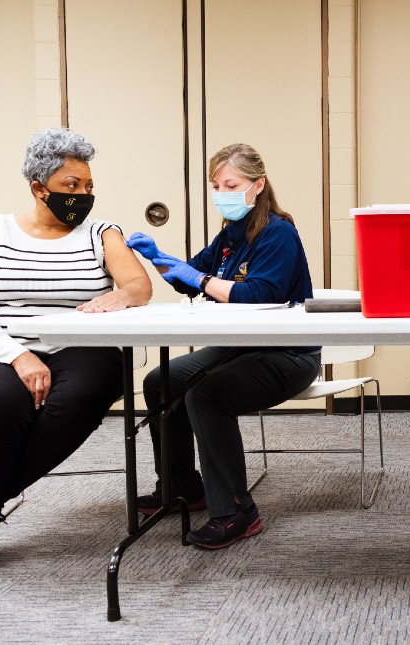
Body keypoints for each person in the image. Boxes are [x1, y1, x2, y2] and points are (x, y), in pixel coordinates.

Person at [0, 128, 153, 590]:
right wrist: (19, 357)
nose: (84, 195)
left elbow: (139, 286)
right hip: (7, 348)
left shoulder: (100, 231)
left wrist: (117, 297)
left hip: (86, 349)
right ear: (38, 187)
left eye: (88, 186)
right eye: (72, 185)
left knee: (78, 400)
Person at [126, 143, 318, 550]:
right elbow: (191, 274)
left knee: (207, 396)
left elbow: (259, 294)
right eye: (216, 185)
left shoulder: (278, 233)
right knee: (162, 381)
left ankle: (236, 511)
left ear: (257, 185)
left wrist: (196, 279)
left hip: (287, 353)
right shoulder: (232, 234)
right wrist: (160, 259)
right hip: (239, 347)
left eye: (231, 184)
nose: (222, 193)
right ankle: (184, 488)